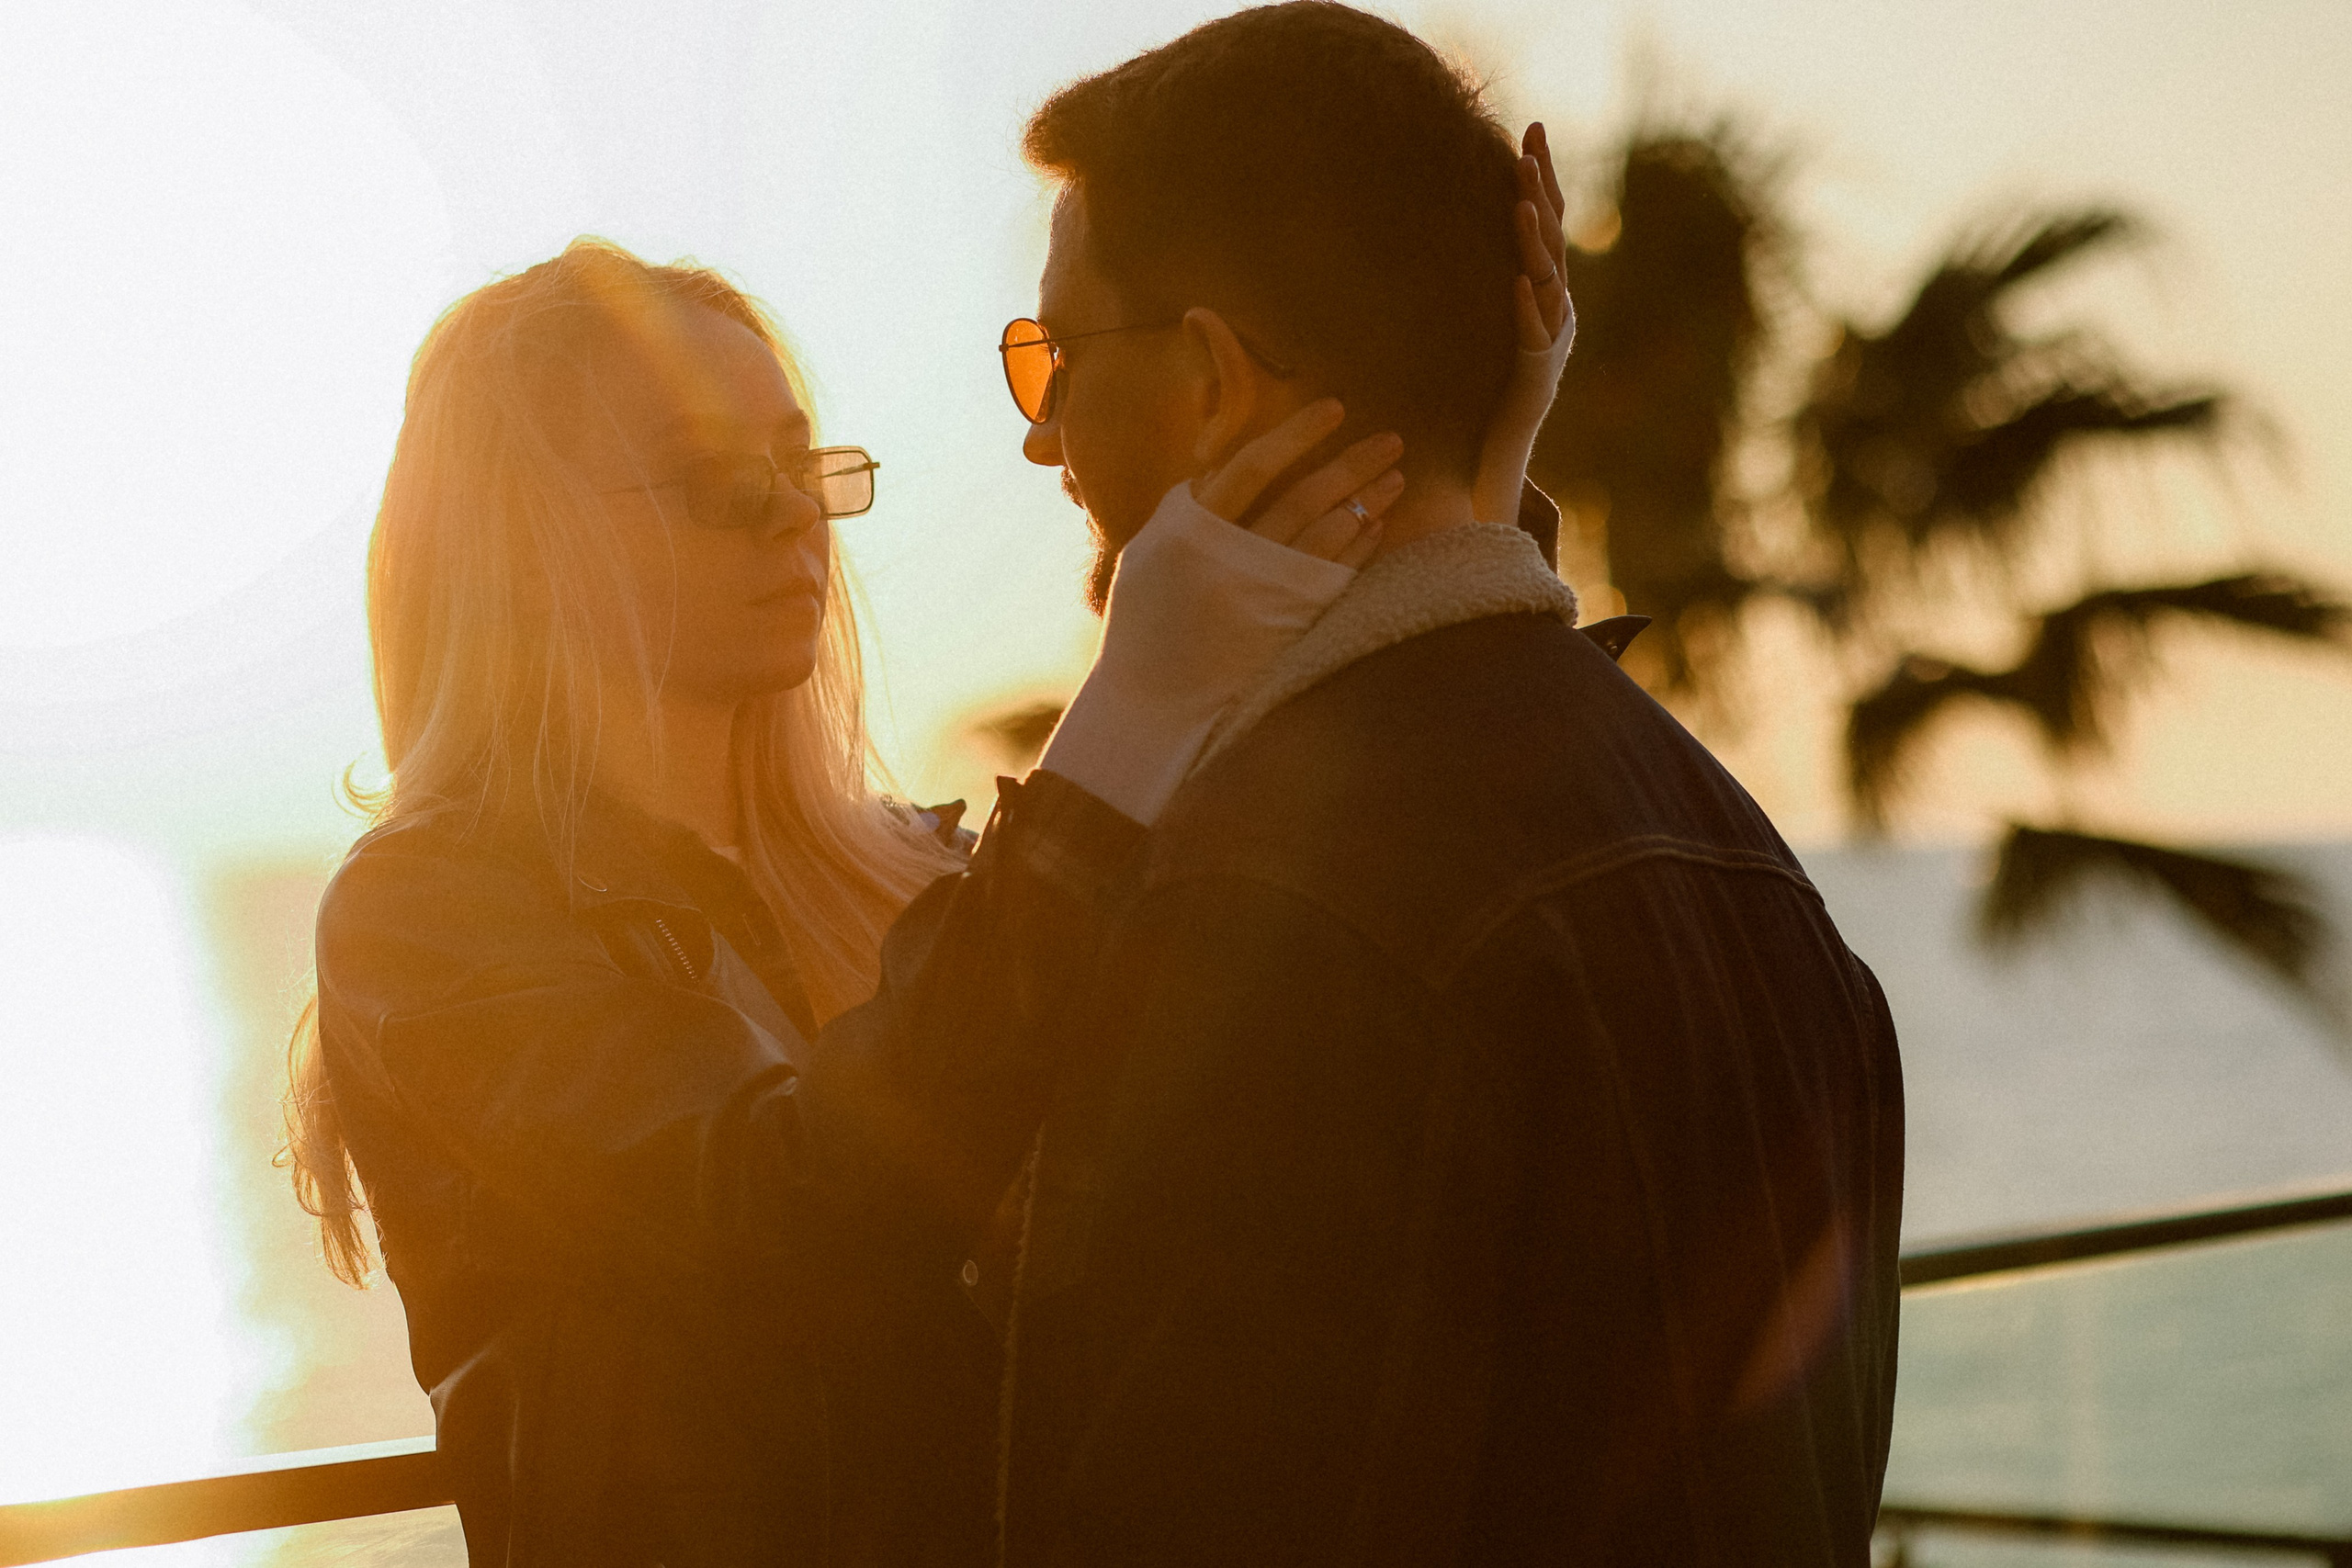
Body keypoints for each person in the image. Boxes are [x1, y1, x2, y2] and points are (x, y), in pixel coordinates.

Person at [282, 232, 1566, 1564]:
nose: (791, 515)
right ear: (520, 549)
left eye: (800, 467)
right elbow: (787, 1218)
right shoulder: (428, 915)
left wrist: (1467, 483)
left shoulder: (923, 874)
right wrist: (1136, 695)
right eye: (721, 479)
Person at [994, 6, 1906, 1566]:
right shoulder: (1750, 867)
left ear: (1212, 376)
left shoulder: (1271, 920)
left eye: (1057, 358)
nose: (1043, 438)